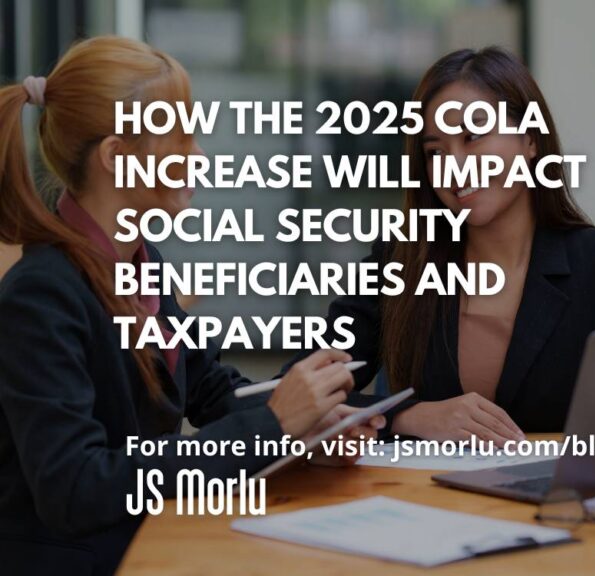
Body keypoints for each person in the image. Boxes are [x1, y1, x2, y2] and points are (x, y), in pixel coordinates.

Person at [0, 36, 381, 576]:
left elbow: (211, 393)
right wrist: (272, 426)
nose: (199, 157)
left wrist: (309, 427)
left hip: (154, 545)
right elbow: (76, 488)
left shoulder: (140, 259)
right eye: (180, 138)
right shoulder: (41, 296)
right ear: (117, 157)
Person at [284, 46, 595, 441]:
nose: (454, 166)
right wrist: (409, 416)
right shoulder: (400, 262)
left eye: (472, 137)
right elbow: (293, 396)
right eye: (436, 151)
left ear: (530, 140)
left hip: (561, 496)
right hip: (424, 498)